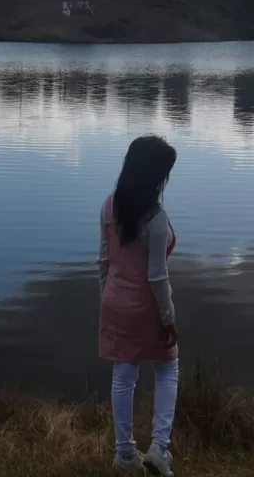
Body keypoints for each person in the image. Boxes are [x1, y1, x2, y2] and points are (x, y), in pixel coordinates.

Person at [98, 135, 180, 475]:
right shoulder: (156, 219)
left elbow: (103, 260)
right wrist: (168, 318)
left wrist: (107, 296)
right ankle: (159, 449)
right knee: (167, 369)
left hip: (114, 300)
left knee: (124, 374)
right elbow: (158, 277)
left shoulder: (109, 205)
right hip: (145, 306)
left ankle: (125, 455)